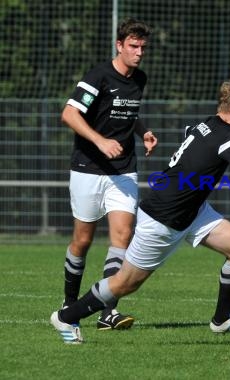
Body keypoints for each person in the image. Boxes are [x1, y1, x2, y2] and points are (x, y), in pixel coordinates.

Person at [50, 78, 230, 344]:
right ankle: (66, 317)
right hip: (164, 217)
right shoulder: (228, 136)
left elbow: (192, 144)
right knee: (124, 283)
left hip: (192, 210)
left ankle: (222, 319)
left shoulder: (208, 123)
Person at [60, 17, 158, 331]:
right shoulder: (99, 76)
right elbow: (69, 113)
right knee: (82, 240)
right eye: (133, 46)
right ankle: (69, 304)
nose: (139, 52)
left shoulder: (139, 79)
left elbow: (128, 112)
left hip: (123, 170)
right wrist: (101, 141)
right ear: (119, 45)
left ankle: (106, 312)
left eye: (142, 47)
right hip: (88, 169)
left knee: (122, 237)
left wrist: (142, 132)